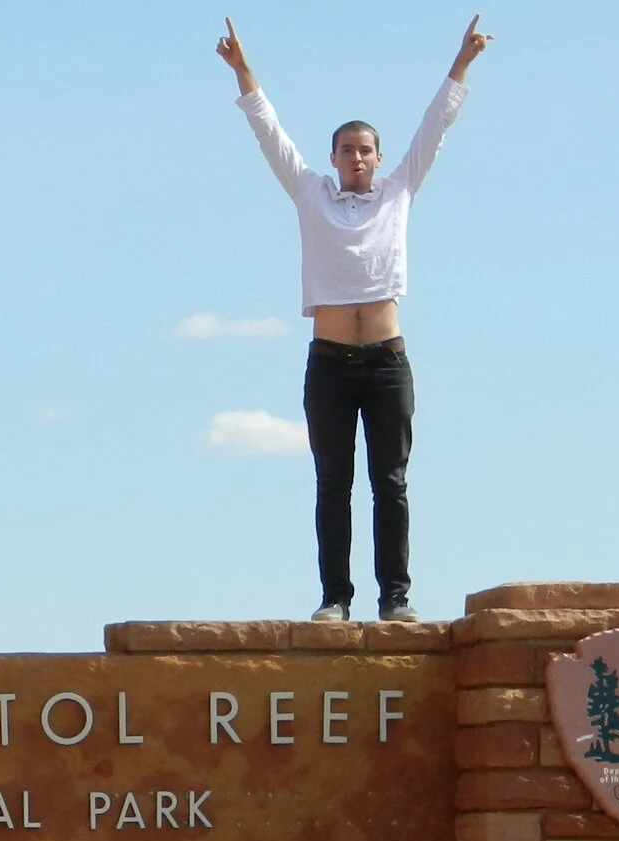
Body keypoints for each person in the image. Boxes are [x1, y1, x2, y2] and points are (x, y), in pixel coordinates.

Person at [217, 15, 491, 623]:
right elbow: (269, 132)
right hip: (330, 364)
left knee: (390, 481)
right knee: (332, 481)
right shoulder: (309, 193)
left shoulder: (398, 192)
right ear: (334, 157)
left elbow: (435, 127)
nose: (358, 158)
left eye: (366, 150)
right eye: (348, 150)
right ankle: (335, 597)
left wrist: (463, 60)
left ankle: (395, 596)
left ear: (379, 157)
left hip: (388, 361)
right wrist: (242, 70)